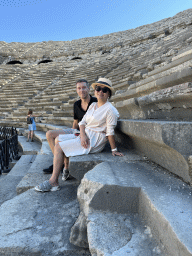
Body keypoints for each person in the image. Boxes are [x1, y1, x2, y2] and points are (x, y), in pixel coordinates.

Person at [35, 78, 123, 192]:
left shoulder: (110, 110)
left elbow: (110, 132)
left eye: (105, 90)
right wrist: (82, 135)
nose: (101, 91)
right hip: (85, 134)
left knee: (58, 146)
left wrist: (114, 149)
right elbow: (82, 123)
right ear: (95, 91)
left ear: (109, 94)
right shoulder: (93, 105)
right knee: (57, 139)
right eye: (98, 88)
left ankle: (53, 181)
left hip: (94, 140)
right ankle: (65, 169)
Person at [43, 79, 97, 175]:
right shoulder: (76, 104)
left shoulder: (95, 102)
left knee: (59, 140)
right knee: (49, 134)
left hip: (88, 132)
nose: (81, 90)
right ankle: (58, 162)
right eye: (79, 88)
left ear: (88, 89)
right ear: (76, 90)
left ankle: (59, 164)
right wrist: (72, 132)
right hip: (77, 130)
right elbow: (76, 121)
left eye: (84, 87)